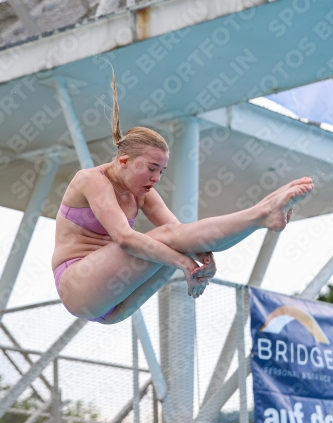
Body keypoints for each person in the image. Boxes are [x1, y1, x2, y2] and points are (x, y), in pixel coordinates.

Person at [52, 74, 313, 325]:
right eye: (152, 168)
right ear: (123, 161)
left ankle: (262, 216)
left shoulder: (142, 193)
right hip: (78, 285)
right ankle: (261, 213)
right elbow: (124, 238)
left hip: (115, 307)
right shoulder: (91, 180)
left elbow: (183, 235)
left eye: (161, 171)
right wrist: (186, 263)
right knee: (169, 241)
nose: (157, 178)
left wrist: (204, 263)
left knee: (179, 239)